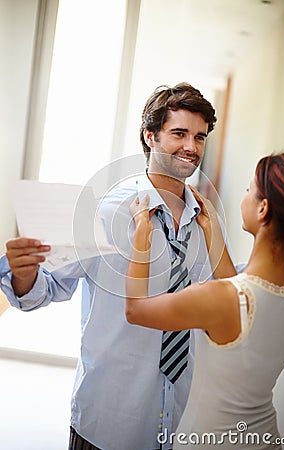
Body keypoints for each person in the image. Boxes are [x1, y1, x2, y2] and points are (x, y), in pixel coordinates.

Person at [0, 83, 227, 450]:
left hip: (181, 423)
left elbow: (227, 295)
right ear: (150, 136)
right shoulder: (107, 211)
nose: (191, 147)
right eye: (179, 133)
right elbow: (48, 288)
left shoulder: (208, 223)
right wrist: (24, 278)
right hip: (109, 419)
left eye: (199, 137)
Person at [126, 151, 284, 449]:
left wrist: (143, 232)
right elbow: (244, 298)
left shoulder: (217, 298)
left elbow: (136, 310)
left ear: (263, 209)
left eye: (249, 191)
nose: (244, 197)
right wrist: (212, 230)